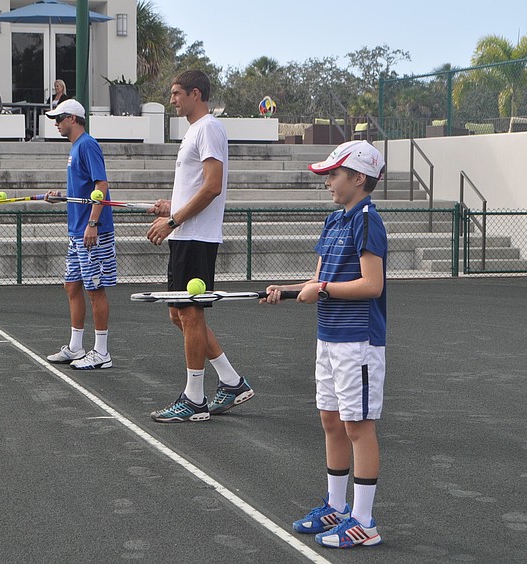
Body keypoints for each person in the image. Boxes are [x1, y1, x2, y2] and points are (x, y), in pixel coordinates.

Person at [262, 140, 387, 549]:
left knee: (357, 426)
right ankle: (336, 506)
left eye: (334, 174)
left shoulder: (367, 221)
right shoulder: (334, 221)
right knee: (331, 422)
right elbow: (319, 281)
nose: (328, 181)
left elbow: (372, 284)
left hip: (358, 342)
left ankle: (364, 521)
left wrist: (324, 289)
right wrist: (288, 288)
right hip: (329, 338)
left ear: (359, 178)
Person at [145, 70, 251, 423]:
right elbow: (195, 187)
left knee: (190, 315)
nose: (172, 99)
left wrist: (174, 221)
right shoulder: (195, 131)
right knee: (178, 314)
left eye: (176, 94)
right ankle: (231, 381)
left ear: (195, 94)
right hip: (185, 234)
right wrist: (171, 207)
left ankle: (194, 399)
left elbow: (212, 186)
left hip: (195, 237)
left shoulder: (208, 128)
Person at [43, 99, 116, 370]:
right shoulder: (76, 147)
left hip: (91, 232)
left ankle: (102, 352)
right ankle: (76, 347)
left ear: (72, 118)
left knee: (94, 288)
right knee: (72, 285)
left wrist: (93, 224)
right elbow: (84, 190)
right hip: (77, 231)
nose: (56, 124)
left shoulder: (87, 144)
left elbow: (102, 184)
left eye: (59, 118)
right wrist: (61, 197)